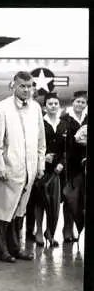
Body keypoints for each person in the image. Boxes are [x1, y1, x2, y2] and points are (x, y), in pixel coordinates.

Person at [0, 71, 46, 263]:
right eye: (23, 86)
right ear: (14, 85)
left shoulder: (36, 108)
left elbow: (40, 140)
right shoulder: (2, 108)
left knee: (20, 209)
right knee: (4, 209)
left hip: (28, 168)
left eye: (30, 87)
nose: (27, 90)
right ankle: (1, 248)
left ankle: (15, 246)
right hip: (9, 167)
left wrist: (40, 165)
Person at [32, 92, 68, 247]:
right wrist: (43, 156)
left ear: (59, 106)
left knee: (54, 203)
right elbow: (33, 144)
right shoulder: (39, 123)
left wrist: (62, 163)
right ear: (44, 107)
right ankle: (39, 230)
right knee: (40, 200)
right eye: (50, 104)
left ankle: (50, 232)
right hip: (42, 168)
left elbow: (68, 148)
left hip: (58, 171)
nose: (53, 106)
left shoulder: (64, 125)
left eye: (55, 104)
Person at [60, 90, 88, 242]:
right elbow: (62, 142)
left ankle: (78, 228)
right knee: (69, 196)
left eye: (83, 102)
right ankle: (67, 228)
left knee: (81, 199)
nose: (80, 104)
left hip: (84, 162)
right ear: (73, 102)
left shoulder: (87, 118)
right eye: (78, 101)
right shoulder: (65, 118)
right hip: (70, 163)